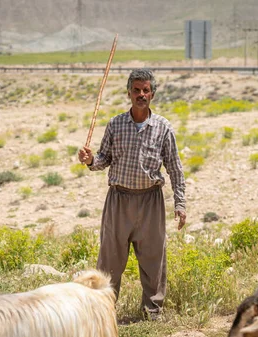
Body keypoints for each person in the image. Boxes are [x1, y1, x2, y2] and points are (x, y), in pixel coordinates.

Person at [78, 68, 186, 321]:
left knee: (153, 258)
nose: (141, 94)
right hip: (119, 199)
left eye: (146, 90)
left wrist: (180, 203)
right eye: (136, 90)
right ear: (129, 93)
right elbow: (103, 159)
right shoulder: (115, 124)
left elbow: (175, 168)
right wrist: (90, 159)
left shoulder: (163, 128)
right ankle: (103, 310)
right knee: (110, 258)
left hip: (151, 201)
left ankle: (153, 311)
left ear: (153, 94)